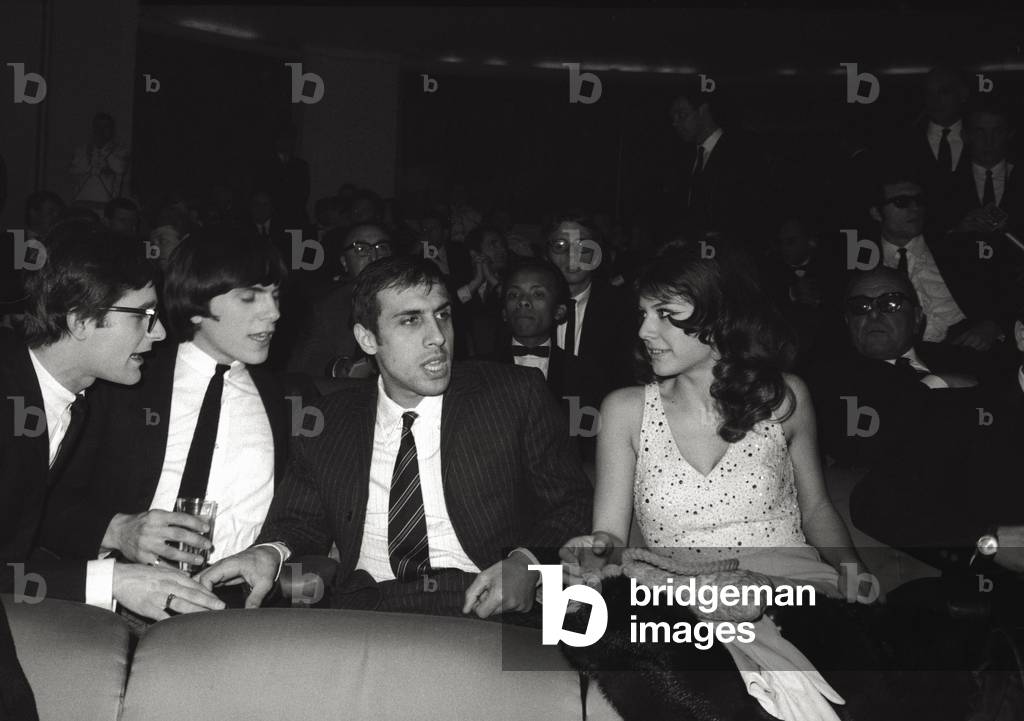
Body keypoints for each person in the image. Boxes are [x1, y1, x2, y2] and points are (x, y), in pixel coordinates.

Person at [559, 242, 882, 718]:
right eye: (644, 313)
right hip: (679, 597)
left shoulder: (784, 397)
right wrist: (585, 554)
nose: (646, 329)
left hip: (787, 588)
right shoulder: (625, 409)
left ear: (718, 318)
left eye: (666, 314)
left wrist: (856, 574)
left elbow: (815, 509)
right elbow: (609, 534)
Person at [199, 255, 591, 618]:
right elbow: (299, 521)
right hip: (369, 605)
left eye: (443, 315)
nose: (437, 336)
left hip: (485, 600)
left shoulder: (513, 395)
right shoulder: (329, 420)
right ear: (368, 339)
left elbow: (570, 504)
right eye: (410, 321)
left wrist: (527, 562)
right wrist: (268, 553)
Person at [38, 230, 290, 593]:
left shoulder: (287, 399)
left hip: (238, 607)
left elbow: (307, 513)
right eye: (249, 297)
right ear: (197, 305)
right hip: (121, 596)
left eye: (276, 296)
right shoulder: (118, 382)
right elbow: (40, 506)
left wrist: (273, 551)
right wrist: (117, 531)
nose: (274, 313)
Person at [0, 221, 224, 620]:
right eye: (143, 315)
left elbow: (28, 519)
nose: (158, 333)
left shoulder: (78, 401)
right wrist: (112, 581)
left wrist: (119, 532)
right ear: (80, 320)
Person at [69, 112, 129, 211]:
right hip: (81, 203)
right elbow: (75, 170)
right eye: (98, 127)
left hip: (106, 206)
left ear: (112, 130)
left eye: (106, 127)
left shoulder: (120, 151)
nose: (101, 131)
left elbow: (120, 168)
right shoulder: (81, 150)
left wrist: (103, 151)